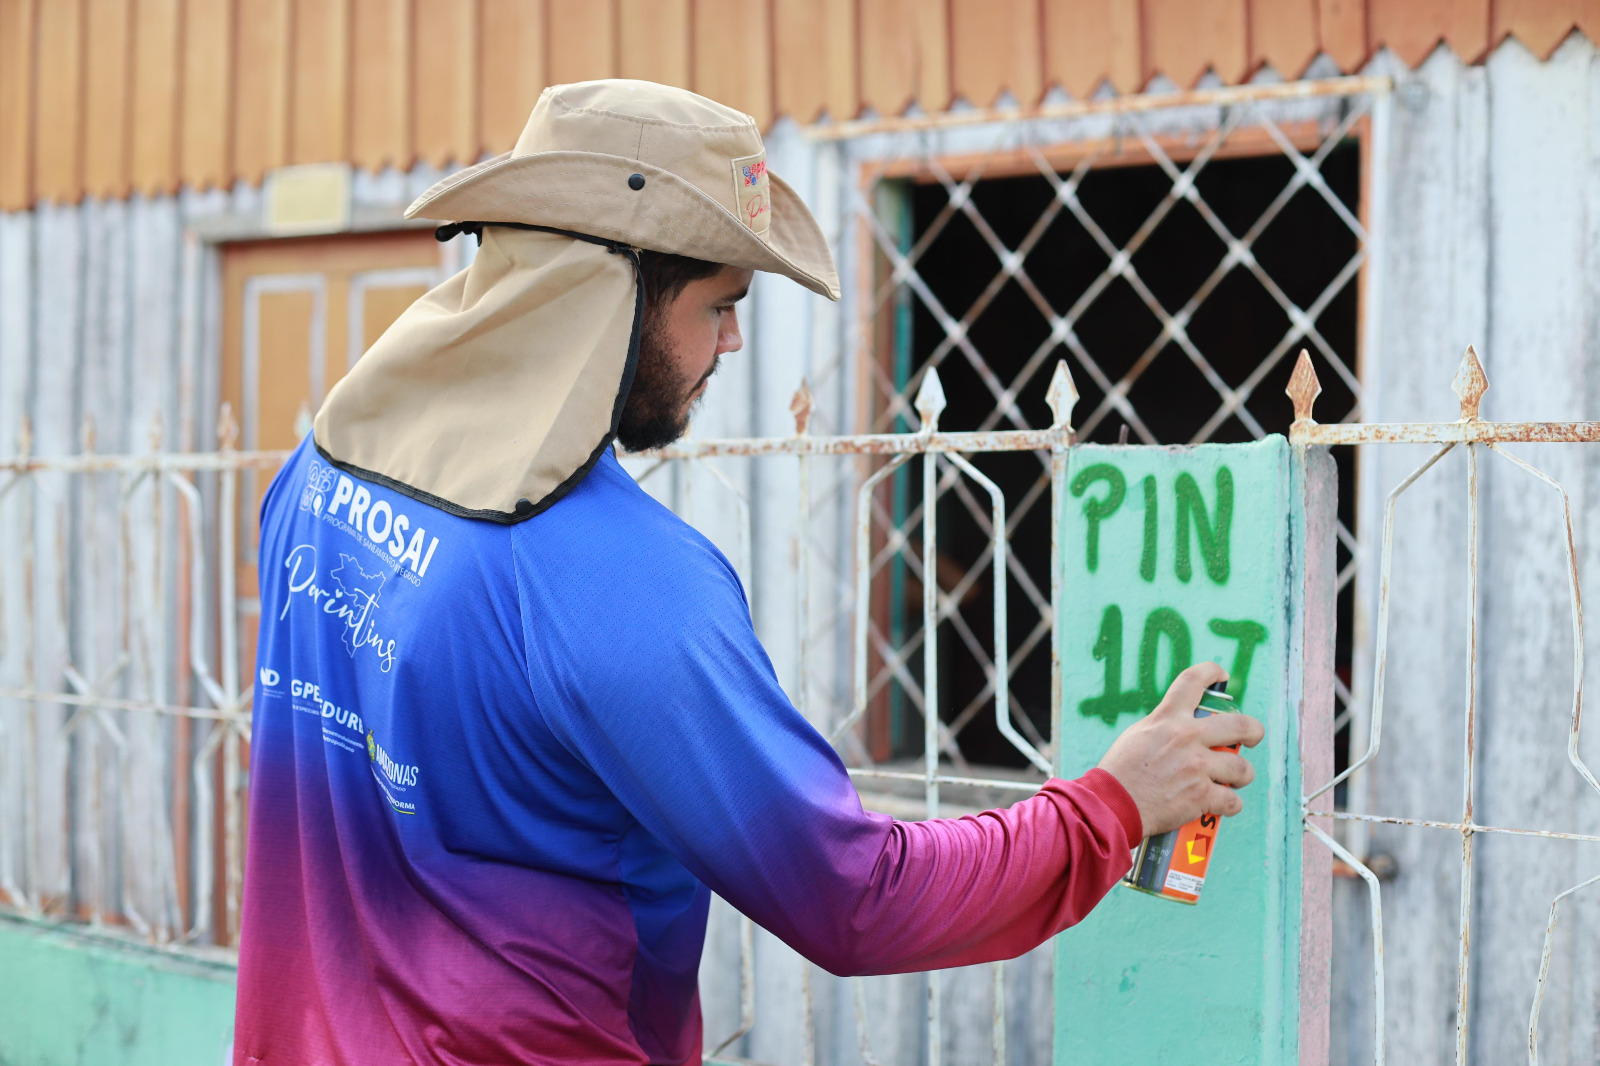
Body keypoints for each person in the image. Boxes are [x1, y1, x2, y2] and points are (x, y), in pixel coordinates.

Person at [233, 80, 1263, 1066]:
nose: (733, 339)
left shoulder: (317, 480)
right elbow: (854, 898)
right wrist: (1112, 805)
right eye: (718, 301)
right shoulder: (616, 578)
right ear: (602, 295)